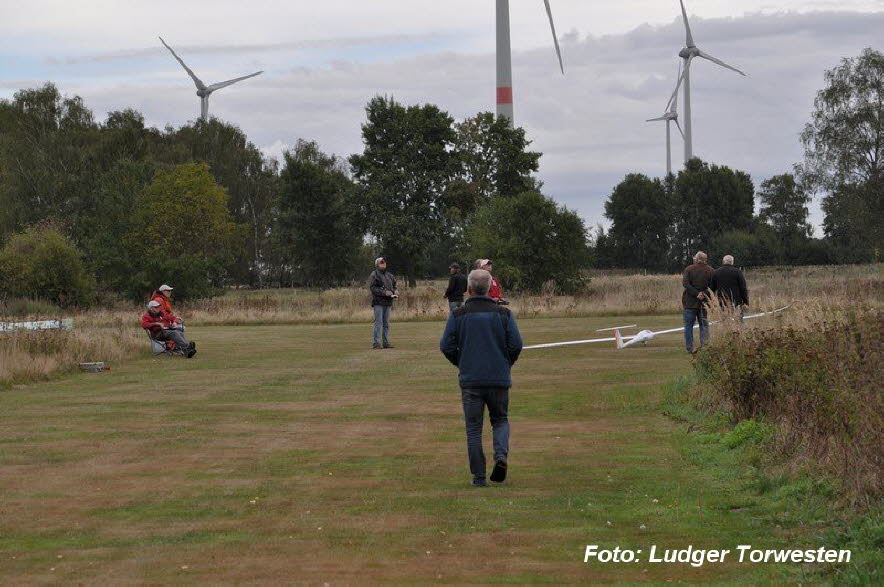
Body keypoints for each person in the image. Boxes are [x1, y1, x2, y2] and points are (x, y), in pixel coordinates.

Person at [440, 269, 523, 487]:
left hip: (471, 380)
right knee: (500, 420)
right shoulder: (504, 314)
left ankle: (479, 477)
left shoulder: (458, 315)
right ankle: (501, 457)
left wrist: (462, 362)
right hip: (498, 378)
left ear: (468, 290)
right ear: (489, 289)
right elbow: (516, 345)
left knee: (474, 429)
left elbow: (446, 346)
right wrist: (505, 363)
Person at [682, 251, 714, 353]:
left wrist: (696, 293)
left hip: (690, 303)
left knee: (688, 327)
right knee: (704, 326)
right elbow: (712, 287)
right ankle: (705, 347)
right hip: (704, 304)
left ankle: (690, 348)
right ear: (705, 259)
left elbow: (686, 284)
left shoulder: (689, 269)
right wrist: (703, 294)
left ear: (697, 258)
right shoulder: (711, 271)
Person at [369, 257, 398, 349]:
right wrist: (384, 292)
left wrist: (396, 291)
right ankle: (376, 343)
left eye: (384, 262)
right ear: (377, 264)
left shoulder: (390, 275)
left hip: (388, 302)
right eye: (381, 262)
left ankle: (385, 343)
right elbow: (373, 288)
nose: (383, 263)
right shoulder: (374, 274)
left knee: (386, 323)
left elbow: (394, 285)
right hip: (378, 303)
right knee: (378, 323)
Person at [710, 255, 749, 321]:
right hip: (736, 302)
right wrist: (746, 301)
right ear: (732, 262)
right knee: (738, 321)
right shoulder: (737, 272)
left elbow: (711, 289)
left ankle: (727, 331)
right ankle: (739, 331)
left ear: (723, 262)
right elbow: (743, 288)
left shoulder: (716, 272)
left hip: (722, 302)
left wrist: (713, 302)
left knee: (725, 322)